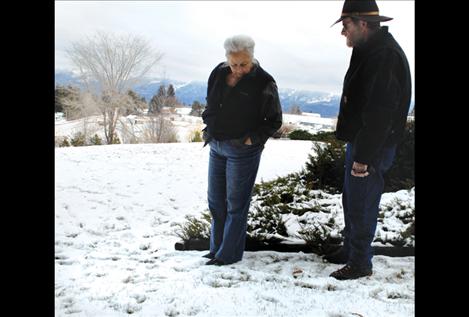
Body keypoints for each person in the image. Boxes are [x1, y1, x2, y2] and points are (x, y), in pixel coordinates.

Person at [324, 0, 412, 280]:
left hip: (372, 145)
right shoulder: (368, 48)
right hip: (363, 140)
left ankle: (360, 262)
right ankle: (351, 249)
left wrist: (363, 157)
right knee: (352, 198)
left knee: (362, 201)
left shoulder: (384, 55)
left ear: (362, 23)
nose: (342, 33)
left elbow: (380, 112)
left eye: (346, 25)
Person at [201, 35, 282, 265]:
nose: (238, 70)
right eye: (234, 64)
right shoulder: (218, 72)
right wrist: (209, 126)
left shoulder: (264, 81)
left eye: (243, 64)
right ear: (227, 59)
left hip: (243, 151)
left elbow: (274, 121)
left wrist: (251, 140)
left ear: (252, 58)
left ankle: (228, 255)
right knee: (216, 202)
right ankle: (215, 249)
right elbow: (210, 102)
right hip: (216, 145)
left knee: (236, 204)